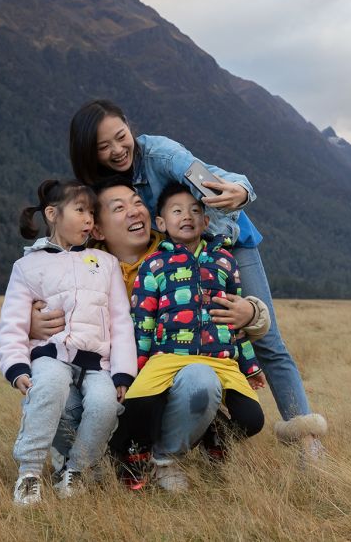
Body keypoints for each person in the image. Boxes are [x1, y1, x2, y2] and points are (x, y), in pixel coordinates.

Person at [68, 100, 327, 454]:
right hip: (169, 258)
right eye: (103, 146)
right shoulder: (98, 187)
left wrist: (240, 191)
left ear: (130, 128)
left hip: (224, 245)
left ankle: (308, 444)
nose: (117, 150)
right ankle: (186, 429)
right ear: (89, 153)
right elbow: (71, 226)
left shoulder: (161, 154)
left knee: (261, 335)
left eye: (121, 137)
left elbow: (210, 180)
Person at [35, 177, 271, 491]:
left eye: (137, 203)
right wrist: (31, 322)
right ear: (97, 228)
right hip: (104, 375)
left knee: (203, 382)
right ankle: (85, 462)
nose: (135, 211)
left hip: (178, 370)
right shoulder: (84, 268)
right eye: (119, 208)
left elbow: (233, 306)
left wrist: (252, 313)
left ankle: (167, 454)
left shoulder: (185, 251)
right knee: (59, 386)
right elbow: (40, 302)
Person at [0, 179, 137, 505]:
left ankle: (75, 470)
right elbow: (12, 322)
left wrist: (122, 373)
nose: (89, 219)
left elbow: (120, 321)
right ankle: (29, 472)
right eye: (80, 210)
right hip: (51, 355)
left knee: (105, 406)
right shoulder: (27, 266)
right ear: (52, 214)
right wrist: (16, 367)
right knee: (48, 389)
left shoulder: (105, 263)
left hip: (96, 361)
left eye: (92, 212)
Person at [125, 181, 266, 487]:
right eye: (177, 211)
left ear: (206, 220)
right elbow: (143, 321)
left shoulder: (225, 261)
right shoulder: (154, 265)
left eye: (194, 210)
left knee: (252, 419)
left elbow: (235, 319)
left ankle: (213, 435)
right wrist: (136, 367)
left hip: (221, 360)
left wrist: (250, 366)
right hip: (166, 358)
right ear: (161, 222)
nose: (186, 216)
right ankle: (139, 457)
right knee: (135, 408)